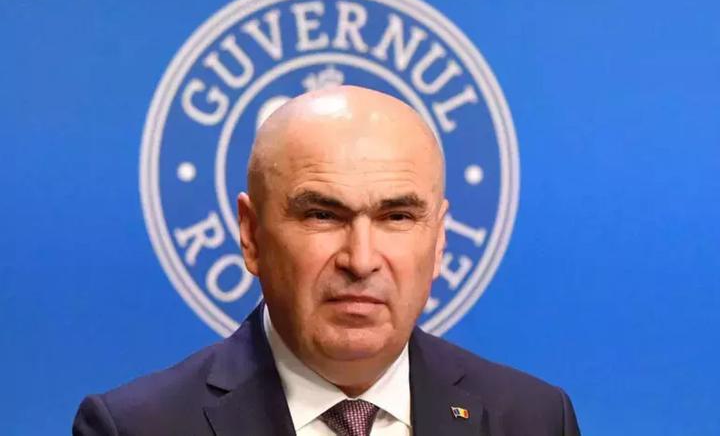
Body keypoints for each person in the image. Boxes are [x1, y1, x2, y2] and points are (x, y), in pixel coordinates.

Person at [73, 86, 580, 435]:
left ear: (439, 239)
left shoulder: (534, 420)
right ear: (251, 236)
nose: (361, 260)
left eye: (397, 217)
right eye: (322, 215)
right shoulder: (137, 428)